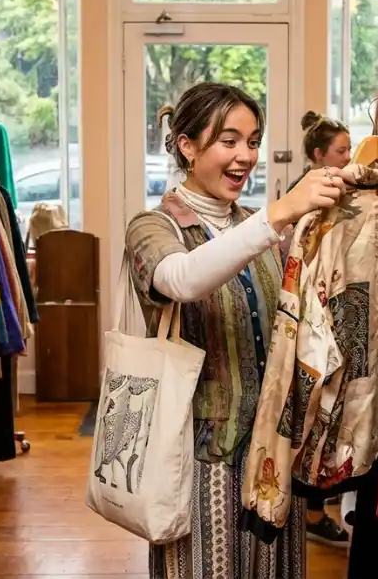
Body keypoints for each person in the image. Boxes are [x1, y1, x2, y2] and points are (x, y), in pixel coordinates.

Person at [125, 82, 349, 578]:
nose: (244, 156)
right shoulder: (154, 227)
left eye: (252, 141)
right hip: (200, 461)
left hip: (271, 455)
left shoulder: (258, 226)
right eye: (228, 141)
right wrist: (280, 213)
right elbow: (181, 278)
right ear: (186, 145)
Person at [287, 110, 352, 547]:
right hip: (314, 315)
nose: (350, 157)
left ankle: (314, 507)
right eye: (342, 151)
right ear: (318, 156)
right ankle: (310, 512)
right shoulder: (308, 199)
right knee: (313, 414)